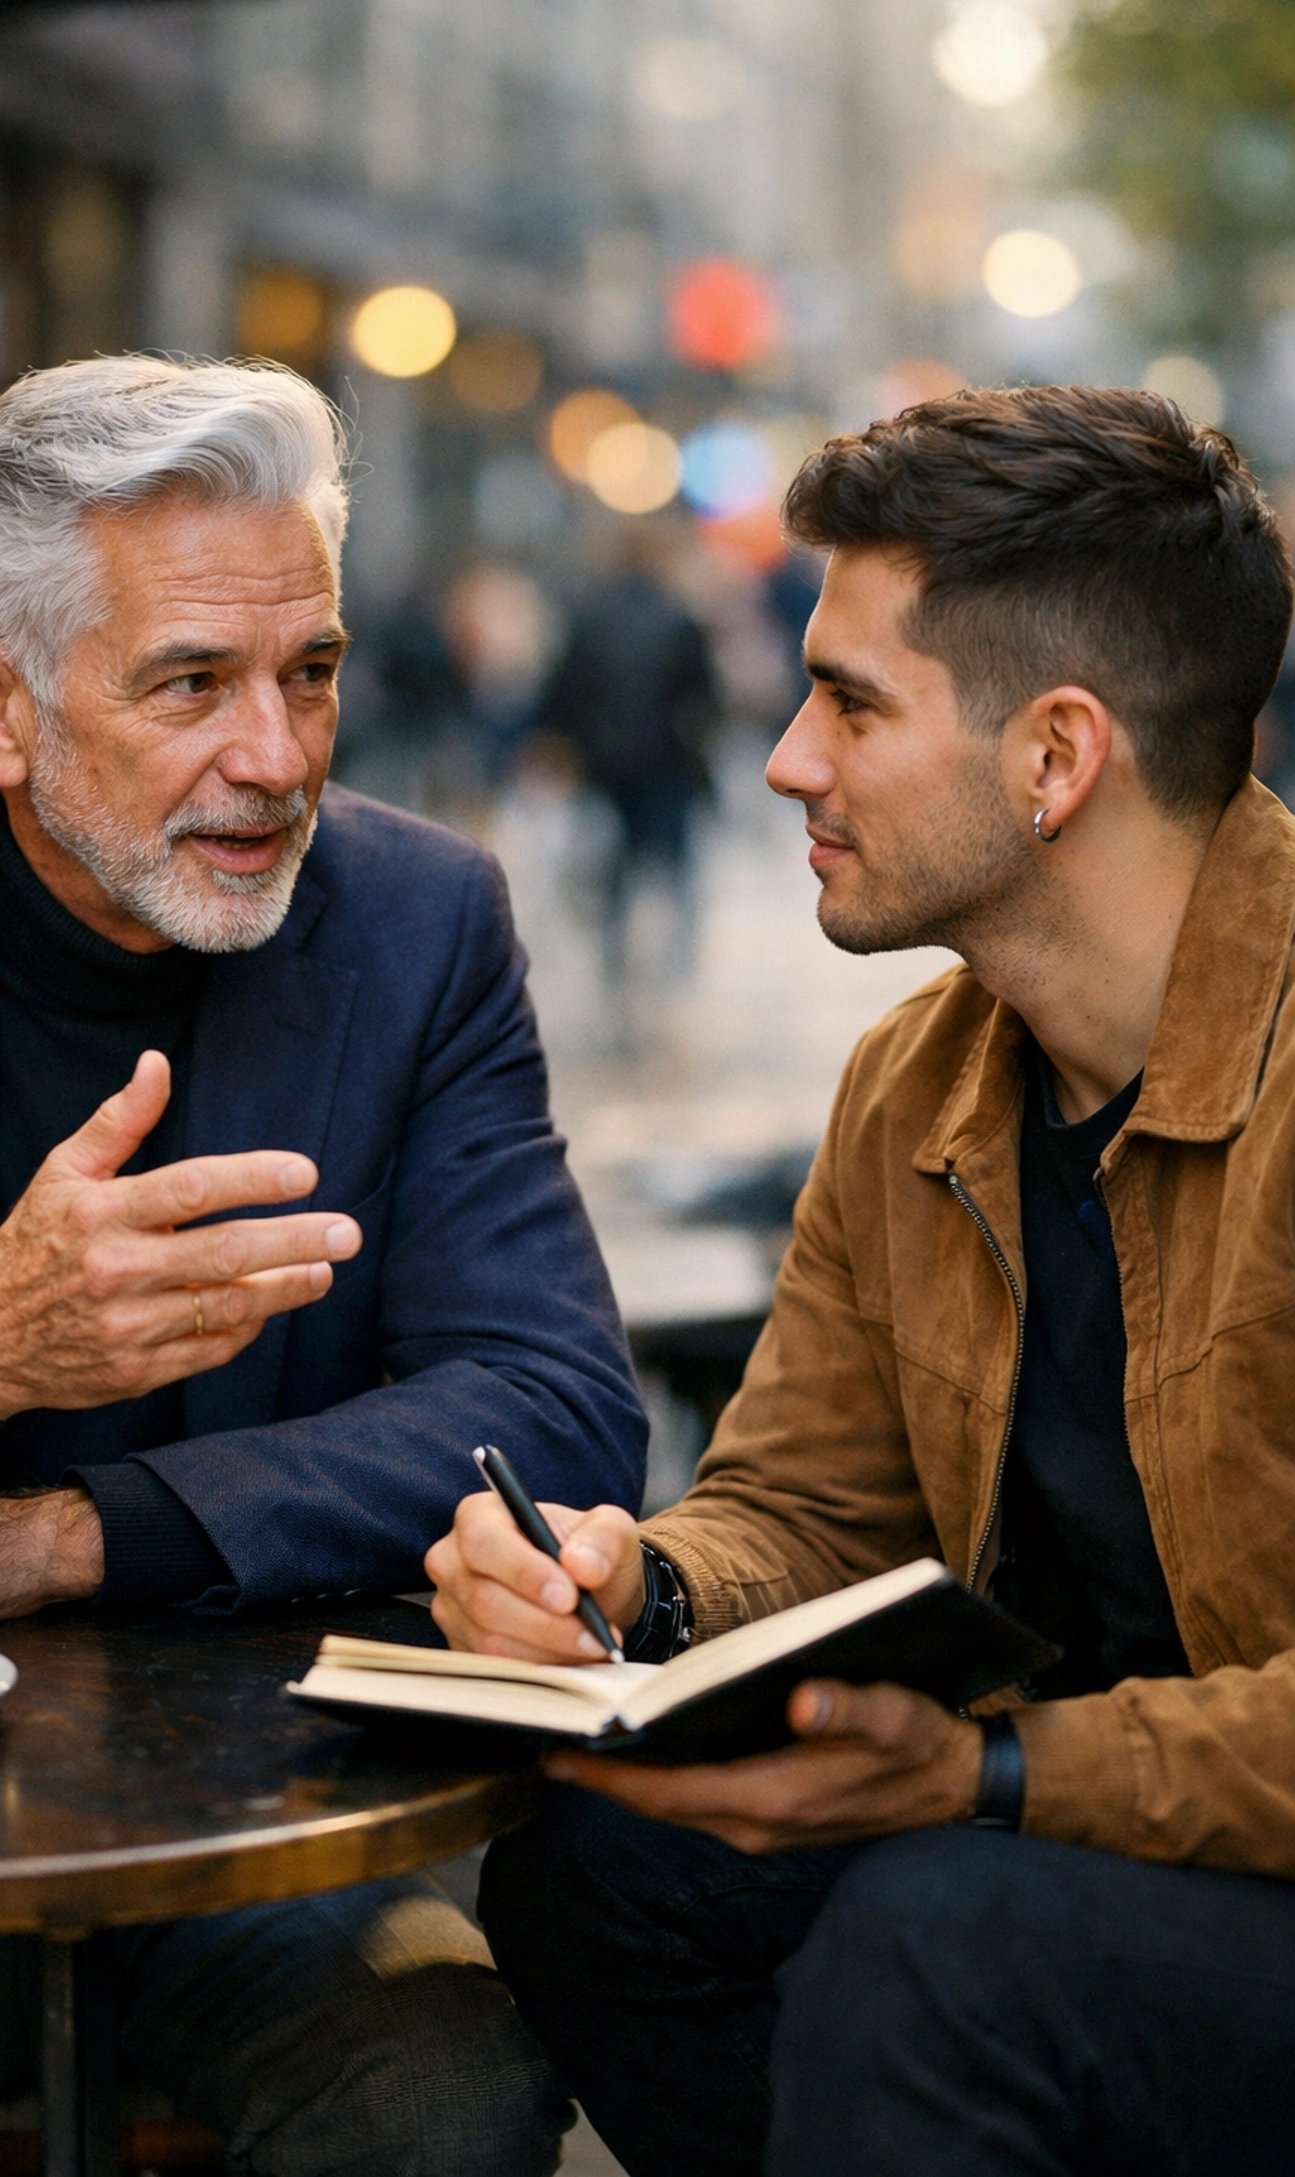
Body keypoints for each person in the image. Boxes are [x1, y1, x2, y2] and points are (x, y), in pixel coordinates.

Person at [0, 356, 647, 2177]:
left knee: (445, 2081)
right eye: (191, 682)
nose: (280, 753)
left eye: (307, 669)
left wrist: (76, 1525)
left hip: (241, 1834)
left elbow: (550, 1398)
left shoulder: (417, 919)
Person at [427, 385, 1295, 2177]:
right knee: (599, 1872)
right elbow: (808, 1504)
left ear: (1054, 756)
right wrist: (634, 1583)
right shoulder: (918, 1080)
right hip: (1055, 1840)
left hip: (1196, 1855)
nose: (784, 759)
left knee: (934, 1945)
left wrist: (993, 1773)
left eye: (850, 700)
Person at [539, 530, 718, 984]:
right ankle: (676, 967)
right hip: (665, 762)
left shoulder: (589, 617)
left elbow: (564, 692)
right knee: (674, 868)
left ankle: (615, 966)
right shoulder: (679, 618)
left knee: (612, 872)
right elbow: (704, 697)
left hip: (605, 766)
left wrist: (565, 748)